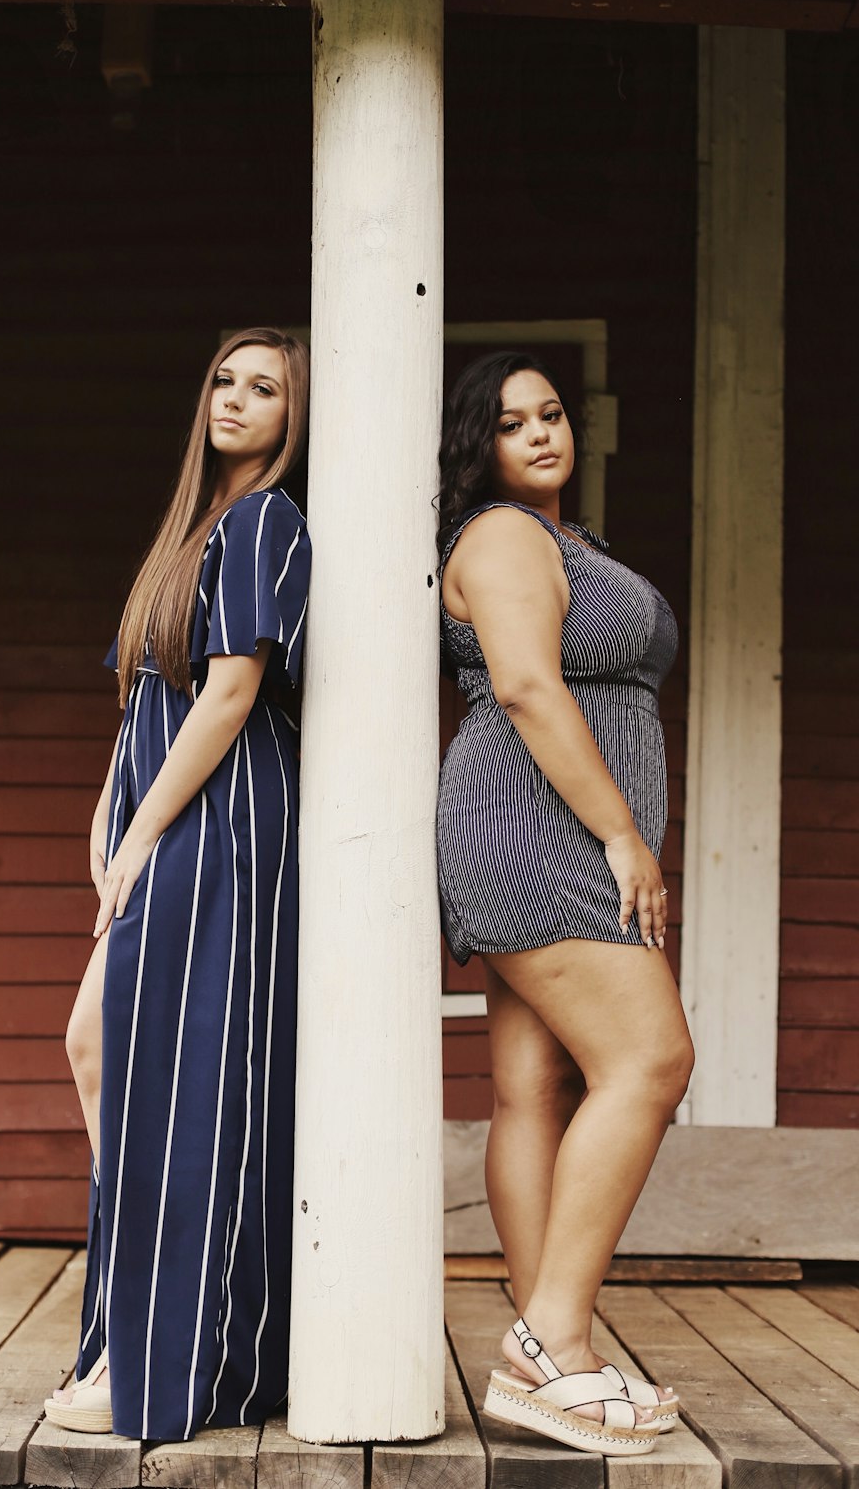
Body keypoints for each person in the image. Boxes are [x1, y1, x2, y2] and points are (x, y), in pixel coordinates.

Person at [43, 328, 312, 1441]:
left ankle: (168, 1350)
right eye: (225, 381)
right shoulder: (190, 531)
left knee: (186, 1081)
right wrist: (109, 804)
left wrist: (149, 828)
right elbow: (145, 698)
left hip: (223, 821)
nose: (237, 402)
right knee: (101, 1050)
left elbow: (233, 690)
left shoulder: (266, 520)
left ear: (298, 415)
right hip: (163, 812)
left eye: (266, 388)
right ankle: (136, 1316)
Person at [436, 351, 694, 1458]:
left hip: (560, 823)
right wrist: (623, 834)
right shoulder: (502, 535)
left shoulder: (570, 541)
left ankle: (559, 1356)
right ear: (477, 443)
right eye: (509, 422)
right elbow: (529, 687)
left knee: (533, 1084)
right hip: (532, 824)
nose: (539, 433)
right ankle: (550, 1339)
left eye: (549, 414)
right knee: (649, 1060)